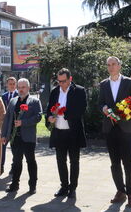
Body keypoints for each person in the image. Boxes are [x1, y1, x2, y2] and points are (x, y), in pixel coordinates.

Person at [100, 56, 131, 208]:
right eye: (108, 65)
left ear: (119, 66)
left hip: (125, 128)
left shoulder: (129, 82)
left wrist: (124, 112)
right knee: (114, 163)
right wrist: (103, 108)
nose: (111, 67)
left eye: (113, 64)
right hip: (110, 128)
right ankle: (120, 191)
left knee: (128, 162)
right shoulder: (103, 84)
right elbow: (100, 103)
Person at [46, 68, 87, 199]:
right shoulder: (54, 91)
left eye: (63, 81)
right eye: (59, 81)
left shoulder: (79, 91)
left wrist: (64, 113)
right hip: (59, 132)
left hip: (73, 132)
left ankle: (73, 188)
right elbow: (48, 110)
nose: (61, 84)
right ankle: (64, 186)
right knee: (60, 160)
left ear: (70, 79)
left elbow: (81, 109)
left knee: (74, 161)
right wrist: (49, 118)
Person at [1, 78, 42, 194]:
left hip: (28, 137)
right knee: (17, 162)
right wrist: (4, 135)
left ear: (28, 88)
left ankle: (32, 185)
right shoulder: (13, 101)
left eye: (23, 87)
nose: (21, 90)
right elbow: (7, 118)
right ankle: (14, 184)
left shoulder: (34, 101)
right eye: (19, 87)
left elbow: (38, 117)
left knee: (31, 161)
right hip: (15, 137)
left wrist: (23, 122)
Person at [1, 77, 18, 174]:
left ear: (15, 84)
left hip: (15, 126)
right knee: (2, 147)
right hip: (5, 126)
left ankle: (14, 166)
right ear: (7, 85)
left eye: (13, 83)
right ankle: (1, 166)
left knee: (14, 149)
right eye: (10, 84)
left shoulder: (19, 95)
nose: (11, 85)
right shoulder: (3, 96)